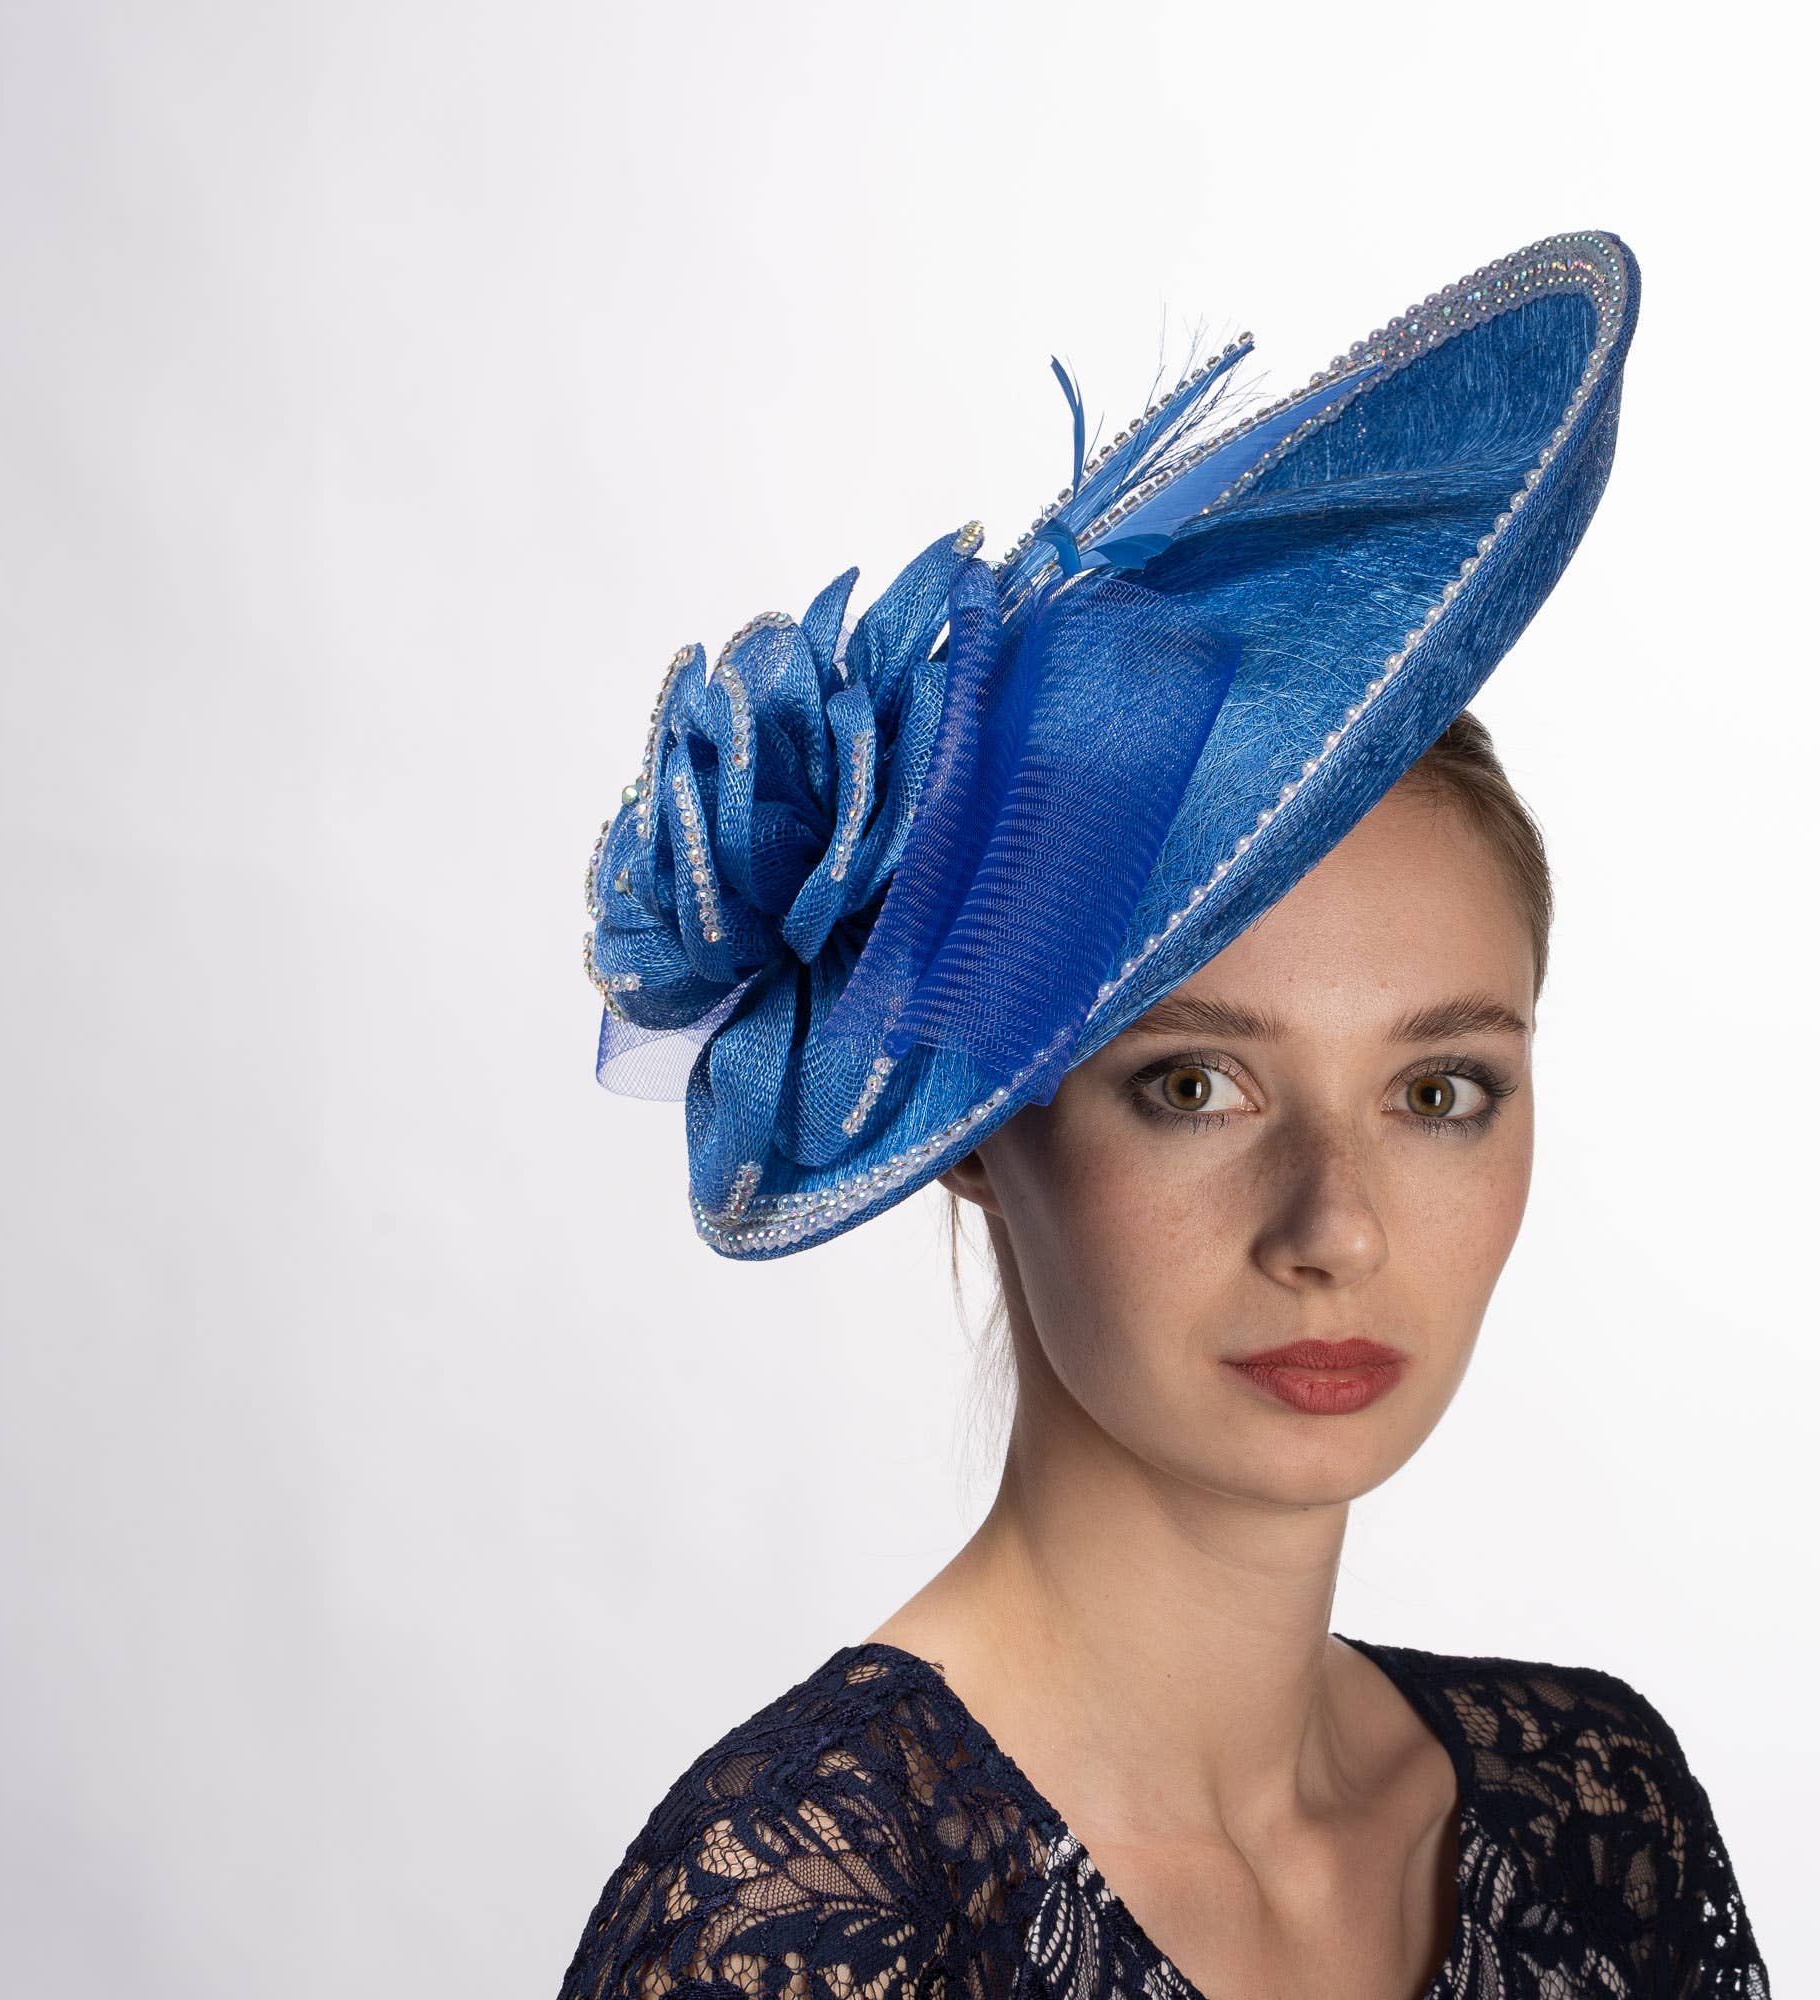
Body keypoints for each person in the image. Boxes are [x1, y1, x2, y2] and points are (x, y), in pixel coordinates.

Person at [561, 231, 1772, 1997]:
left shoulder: (1601, 1819)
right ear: (976, 1126)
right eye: (1194, 1085)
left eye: (1439, 1090)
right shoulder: (804, 1922)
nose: (1335, 1226)